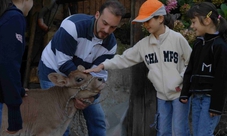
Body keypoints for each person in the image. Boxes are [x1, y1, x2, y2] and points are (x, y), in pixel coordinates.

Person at [84, 0, 192, 135]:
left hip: (179, 93)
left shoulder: (177, 39)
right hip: (162, 95)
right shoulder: (144, 45)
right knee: (163, 131)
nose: (145, 25)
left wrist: (180, 80)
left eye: (148, 20)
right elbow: (125, 58)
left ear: (160, 18)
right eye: (144, 22)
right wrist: (103, 65)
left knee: (179, 130)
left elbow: (191, 62)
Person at [37, 0, 125, 136]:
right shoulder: (72, 26)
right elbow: (63, 63)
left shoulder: (111, 45)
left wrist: (88, 97)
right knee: (61, 121)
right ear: (97, 15)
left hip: (82, 81)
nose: (107, 30)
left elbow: (98, 75)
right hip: (55, 71)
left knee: (98, 119)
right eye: (105, 23)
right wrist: (78, 93)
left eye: (113, 27)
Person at [179, 2, 227, 136]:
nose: (192, 26)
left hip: (209, 100)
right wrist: (185, 92)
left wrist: (216, 107)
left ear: (206, 20)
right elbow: (191, 69)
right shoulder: (199, 43)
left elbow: (221, 79)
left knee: (204, 134)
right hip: (196, 98)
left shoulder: (219, 46)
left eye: (194, 22)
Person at [0, 0, 33, 134]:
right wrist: (14, 111)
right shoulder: (14, 18)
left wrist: (17, 90)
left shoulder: (6, 16)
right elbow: (8, 64)